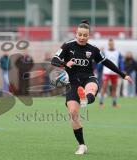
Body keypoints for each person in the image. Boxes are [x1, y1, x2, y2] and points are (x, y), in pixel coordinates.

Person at [51, 20, 132, 155]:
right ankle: (82, 145)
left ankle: (85, 100)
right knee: (72, 113)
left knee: (91, 89)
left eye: (85, 35)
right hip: (72, 83)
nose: (82, 37)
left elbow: (107, 62)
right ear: (76, 34)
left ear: (89, 36)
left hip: (88, 78)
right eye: (80, 35)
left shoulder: (93, 49)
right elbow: (54, 60)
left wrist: (123, 75)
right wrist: (65, 64)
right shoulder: (67, 46)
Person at [99, 39, 125, 108]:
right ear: (108, 44)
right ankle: (101, 103)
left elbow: (120, 62)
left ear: (113, 44)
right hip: (106, 72)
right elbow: (101, 61)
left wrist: (121, 71)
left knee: (114, 88)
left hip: (114, 73)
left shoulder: (117, 52)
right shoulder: (105, 52)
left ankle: (114, 103)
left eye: (112, 44)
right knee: (104, 87)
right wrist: (98, 69)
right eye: (110, 44)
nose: (111, 45)